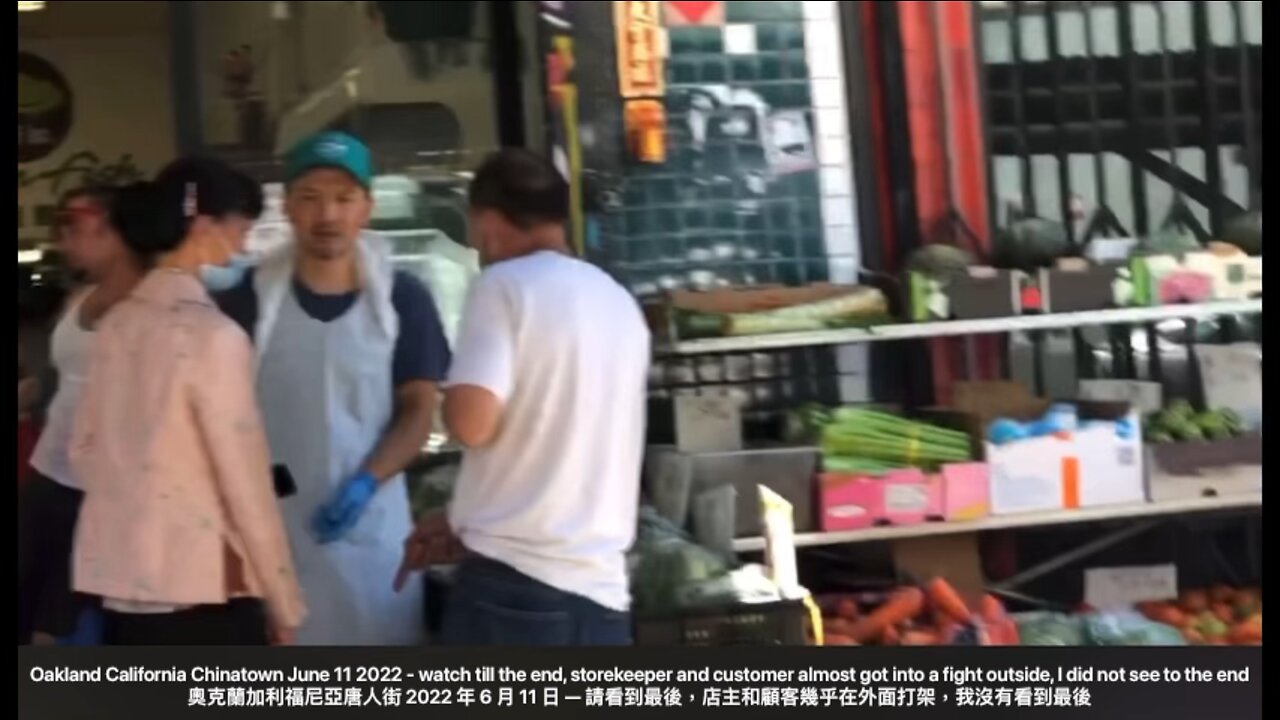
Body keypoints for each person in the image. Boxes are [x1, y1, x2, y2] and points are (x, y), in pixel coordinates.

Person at [397, 149, 651, 646]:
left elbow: (471, 423)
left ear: (488, 223)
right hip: (602, 597)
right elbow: (559, 447)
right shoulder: (618, 302)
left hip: (514, 595)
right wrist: (460, 516)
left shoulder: (503, 286)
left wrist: (447, 394)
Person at [214, 132, 450, 646]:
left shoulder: (403, 300)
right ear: (290, 207)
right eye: (311, 197)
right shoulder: (248, 302)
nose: (328, 215)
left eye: (344, 198)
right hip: (275, 535)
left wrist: (367, 481)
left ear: (366, 207)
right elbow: (222, 421)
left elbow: (418, 410)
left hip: (376, 530)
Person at [70, 162, 306, 645]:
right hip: (203, 586)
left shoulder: (115, 326)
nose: (242, 247)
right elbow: (243, 482)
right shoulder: (212, 336)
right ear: (203, 225)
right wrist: (282, 599)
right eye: (241, 229)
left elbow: (83, 451)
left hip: (122, 580)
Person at [17, 186, 145, 646]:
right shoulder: (79, 300)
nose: (65, 244)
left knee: (60, 630)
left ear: (112, 229)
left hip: (98, 494)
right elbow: (65, 385)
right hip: (47, 477)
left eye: (75, 231)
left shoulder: (151, 306)